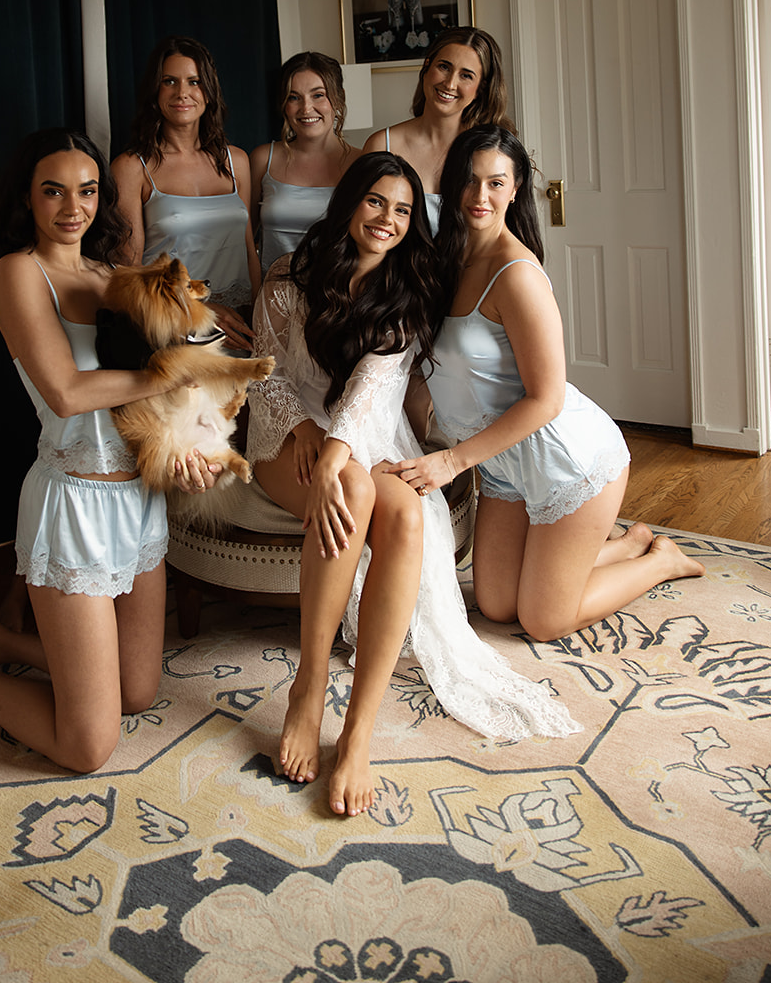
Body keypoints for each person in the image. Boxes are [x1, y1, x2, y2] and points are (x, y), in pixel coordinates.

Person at [247, 152, 577, 819]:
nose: (387, 220)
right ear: (349, 204)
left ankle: (360, 728)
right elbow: (264, 369)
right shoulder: (289, 275)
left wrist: (337, 451)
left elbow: (373, 394)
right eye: (375, 202)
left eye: (402, 210)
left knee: (401, 512)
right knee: (356, 493)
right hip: (284, 436)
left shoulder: (407, 287)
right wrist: (301, 435)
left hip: (365, 432)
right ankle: (308, 689)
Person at [0, 129, 219, 773]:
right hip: (73, 504)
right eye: (54, 191)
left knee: (138, 691)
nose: (74, 207)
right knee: (88, 747)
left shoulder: (110, 275)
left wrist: (186, 436)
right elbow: (68, 392)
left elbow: (164, 381)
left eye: (88, 190)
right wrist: (173, 372)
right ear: (27, 198)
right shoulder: (18, 273)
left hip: (138, 499)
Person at [389, 126, 704, 641]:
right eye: (469, 181)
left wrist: (451, 460)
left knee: (543, 620)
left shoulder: (517, 274)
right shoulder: (444, 261)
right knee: (495, 605)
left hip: (567, 461)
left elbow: (548, 399)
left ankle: (660, 561)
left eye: (496, 183)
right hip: (504, 465)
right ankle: (625, 545)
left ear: (515, 190)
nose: (480, 196)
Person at [113, 36, 259, 351]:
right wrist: (196, 312)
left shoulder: (237, 161)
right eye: (169, 81)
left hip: (239, 325)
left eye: (194, 81)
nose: (182, 92)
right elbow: (130, 271)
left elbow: (249, 251)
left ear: (208, 91)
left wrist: (261, 321)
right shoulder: (132, 167)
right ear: (155, 92)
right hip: (175, 328)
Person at [363, 28, 511, 233]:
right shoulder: (381, 144)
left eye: (466, 76)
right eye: (444, 67)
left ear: (481, 88)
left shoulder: (492, 153)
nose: (450, 83)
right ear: (426, 67)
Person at [249, 51, 355, 276]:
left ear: (339, 98)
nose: (306, 109)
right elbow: (244, 239)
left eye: (318, 95)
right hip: (273, 298)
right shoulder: (263, 159)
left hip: (338, 297)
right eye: (294, 97)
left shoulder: (362, 162)